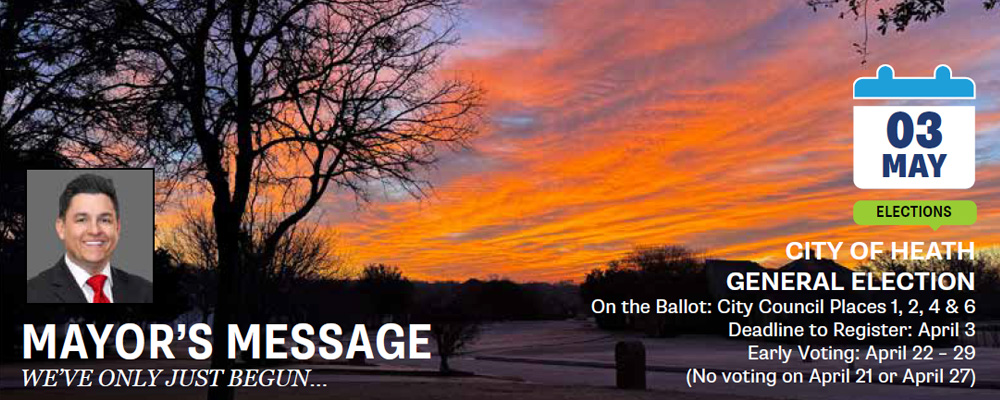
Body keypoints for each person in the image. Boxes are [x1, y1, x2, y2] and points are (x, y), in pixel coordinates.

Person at [26, 173, 153, 303]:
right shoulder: (32, 294)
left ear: (117, 227)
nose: (94, 230)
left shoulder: (145, 292)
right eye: (82, 220)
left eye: (105, 220)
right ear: (61, 228)